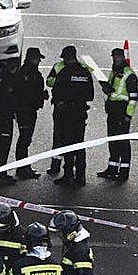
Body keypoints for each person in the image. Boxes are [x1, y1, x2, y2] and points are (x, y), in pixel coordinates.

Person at [46, 45, 95, 187]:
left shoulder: (64, 72)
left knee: (67, 144)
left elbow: (56, 91)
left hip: (66, 113)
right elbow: (90, 95)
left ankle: (68, 175)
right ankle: (80, 176)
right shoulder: (85, 72)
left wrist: (62, 102)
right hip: (80, 112)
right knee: (79, 144)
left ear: (66, 58)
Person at [96, 47, 138, 181]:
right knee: (112, 141)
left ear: (123, 58)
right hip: (113, 111)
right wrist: (107, 89)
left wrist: (128, 116)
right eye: (114, 57)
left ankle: (124, 172)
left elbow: (133, 98)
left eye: (118, 57)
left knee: (122, 143)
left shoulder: (129, 74)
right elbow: (114, 91)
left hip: (122, 112)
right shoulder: (115, 72)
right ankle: (112, 168)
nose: (115, 59)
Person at [12, 47, 47, 179]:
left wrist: (40, 96)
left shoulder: (31, 72)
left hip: (30, 109)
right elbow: (25, 93)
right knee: (24, 139)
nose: (39, 61)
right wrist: (40, 96)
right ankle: (22, 168)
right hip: (25, 110)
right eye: (38, 59)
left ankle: (24, 167)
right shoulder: (26, 73)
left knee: (26, 139)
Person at [0, 57, 20, 186]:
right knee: (2, 146)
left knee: (0, 146)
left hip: (0, 116)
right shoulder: (7, 80)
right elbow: (8, 98)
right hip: (4, 117)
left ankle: (0, 172)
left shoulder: (0, 77)